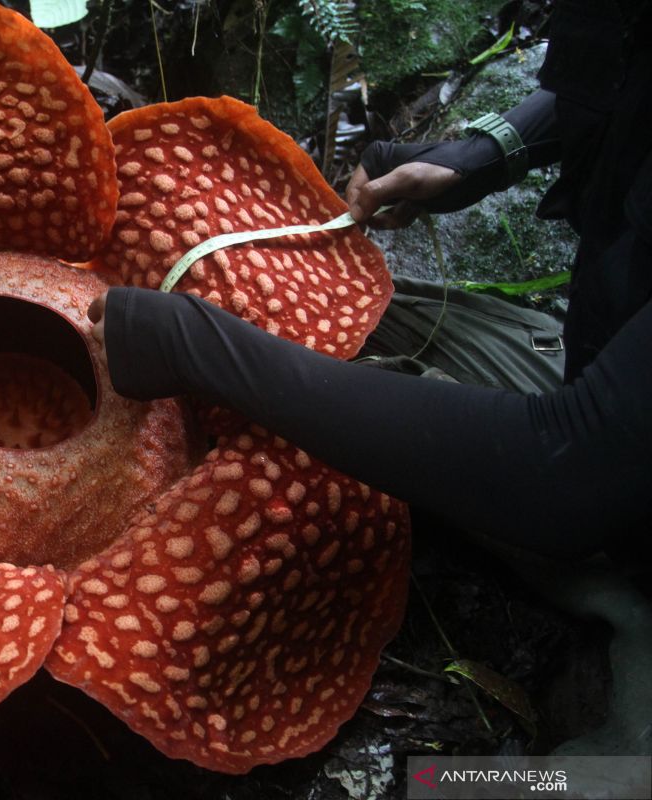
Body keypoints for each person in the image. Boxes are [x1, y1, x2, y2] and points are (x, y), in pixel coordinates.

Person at [88, 0, 650, 754]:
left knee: (442, 788)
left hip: (596, 465)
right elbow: (622, 56)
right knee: (350, 318)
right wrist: (486, 155)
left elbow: (572, 469)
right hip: (615, 374)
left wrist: (200, 347)